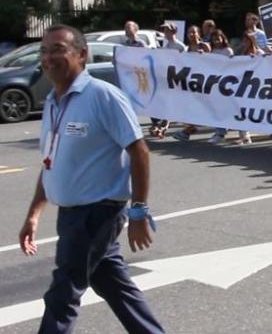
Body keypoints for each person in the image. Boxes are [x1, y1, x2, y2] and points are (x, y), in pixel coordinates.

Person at [18, 25, 164, 333]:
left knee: (63, 293)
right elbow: (51, 163)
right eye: (44, 51)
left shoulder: (103, 96)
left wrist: (139, 211)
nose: (48, 58)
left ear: (82, 54)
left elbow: (139, 151)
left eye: (57, 50)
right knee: (113, 284)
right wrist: (34, 213)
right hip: (72, 214)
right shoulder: (53, 102)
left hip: (97, 212)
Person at [148, 23, 185, 139]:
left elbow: (185, 61)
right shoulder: (166, 46)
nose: (165, 33)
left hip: (176, 78)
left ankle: (163, 125)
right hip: (166, 77)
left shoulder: (180, 46)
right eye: (164, 30)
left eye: (168, 30)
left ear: (173, 32)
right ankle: (160, 124)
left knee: (170, 102)